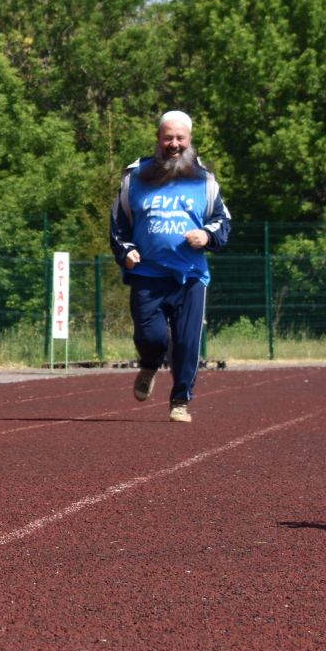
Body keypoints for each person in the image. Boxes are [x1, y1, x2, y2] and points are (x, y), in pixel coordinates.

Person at [108, 110, 233, 423]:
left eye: (180, 138)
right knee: (152, 339)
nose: (174, 144)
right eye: (168, 138)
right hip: (147, 276)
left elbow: (223, 221)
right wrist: (126, 251)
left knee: (187, 342)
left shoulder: (204, 180)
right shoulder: (135, 176)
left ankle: (180, 401)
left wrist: (206, 234)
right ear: (158, 140)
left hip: (190, 278)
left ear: (189, 140)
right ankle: (150, 364)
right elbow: (118, 224)